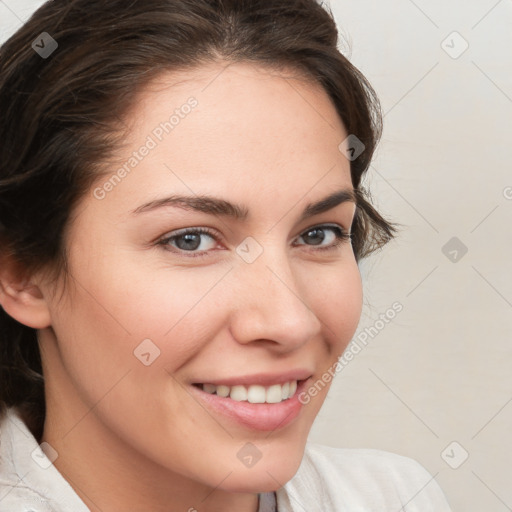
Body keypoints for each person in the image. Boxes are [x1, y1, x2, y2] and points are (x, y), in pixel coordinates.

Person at [0, 1, 453, 510]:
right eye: (189, 239)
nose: (290, 321)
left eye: (319, 234)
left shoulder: (397, 498)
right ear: (22, 272)